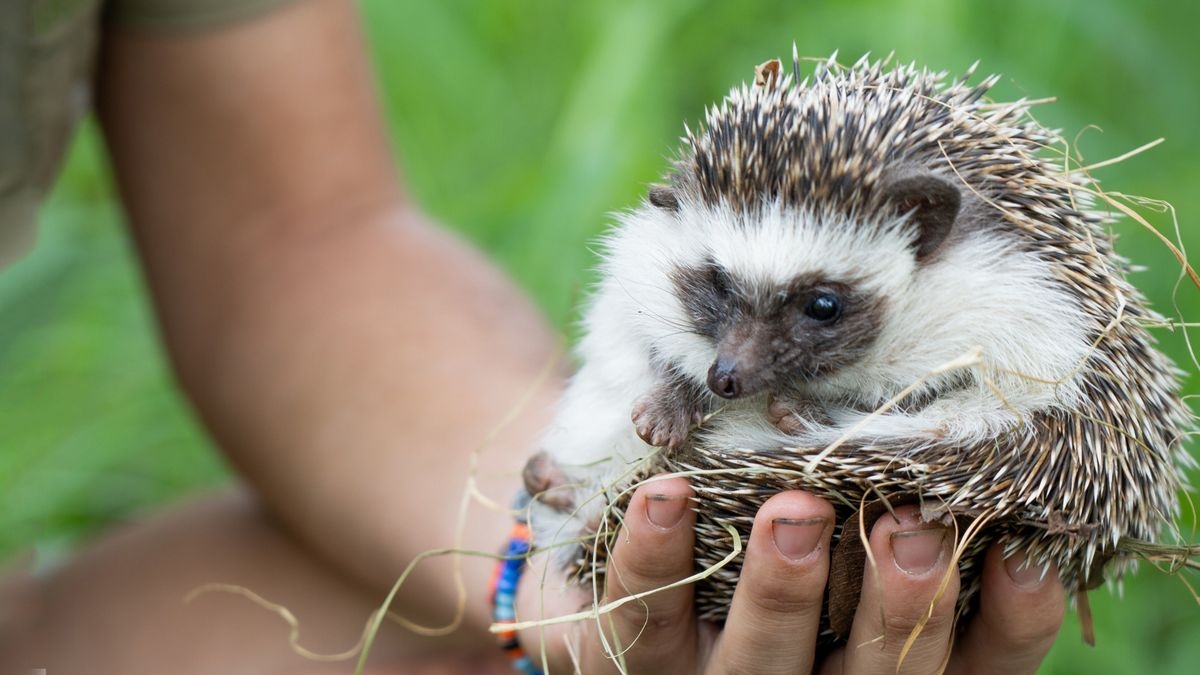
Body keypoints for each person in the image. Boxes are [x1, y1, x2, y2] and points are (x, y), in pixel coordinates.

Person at [0, 1, 1067, 672]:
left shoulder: (994, 306)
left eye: (820, 311)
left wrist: (547, 564)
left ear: (923, 236)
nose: (740, 358)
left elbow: (291, 233)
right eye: (718, 304)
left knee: (504, 654)